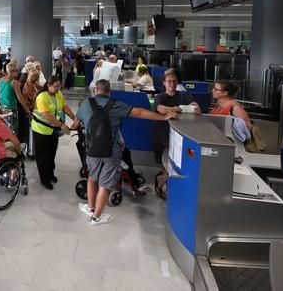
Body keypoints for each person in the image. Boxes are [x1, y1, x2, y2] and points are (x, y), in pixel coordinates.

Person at [77, 79, 178, 225]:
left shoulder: (86, 103)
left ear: (96, 90)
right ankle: (96, 217)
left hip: (92, 150)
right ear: (109, 91)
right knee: (105, 185)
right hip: (111, 152)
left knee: (92, 178)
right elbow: (140, 112)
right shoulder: (115, 104)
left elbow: (76, 121)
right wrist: (163, 117)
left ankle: (91, 208)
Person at [151, 69, 201, 200]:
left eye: (174, 81)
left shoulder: (184, 95)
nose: (172, 84)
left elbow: (197, 109)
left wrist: (176, 109)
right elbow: (160, 109)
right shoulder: (160, 97)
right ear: (164, 83)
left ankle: (164, 183)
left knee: (175, 165)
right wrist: (184, 108)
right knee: (167, 165)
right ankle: (162, 182)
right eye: (169, 82)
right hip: (162, 136)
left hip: (181, 137)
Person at [31, 75, 78, 190]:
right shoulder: (42, 97)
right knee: (43, 156)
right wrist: (61, 125)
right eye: (56, 86)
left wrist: (75, 118)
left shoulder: (58, 94)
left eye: (59, 86)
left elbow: (65, 107)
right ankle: (44, 179)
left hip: (52, 130)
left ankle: (50, 173)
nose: (58, 88)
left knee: (52, 153)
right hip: (41, 130)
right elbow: (46, 115)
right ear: (49, 85)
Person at [0, 64, 32, 136]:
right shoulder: (14, 82)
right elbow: (20, 97)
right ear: (13, 71)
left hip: (2, 107)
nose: (18, 73)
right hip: (11, 108)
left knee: (4, 128)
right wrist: (26, 109)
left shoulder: (0, 80)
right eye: (17, 71)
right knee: (12, 130)